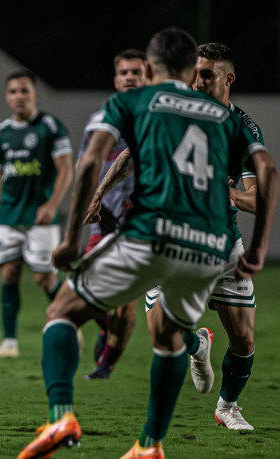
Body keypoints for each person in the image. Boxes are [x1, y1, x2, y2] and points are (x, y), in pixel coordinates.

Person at [19, 28, 278, 459]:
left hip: (154, 238)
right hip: (208, 247)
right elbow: (267, 171)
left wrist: (70, 237)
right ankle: (151, 444)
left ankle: (62, 414)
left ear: (152, 68)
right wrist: (262, 247)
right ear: (188, 71)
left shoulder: (141, 101)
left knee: (62, 313)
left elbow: (91, 159)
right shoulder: (226, 122)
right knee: (169, 335)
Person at [94, 42, 265, 431]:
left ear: (228, 78)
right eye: (194, 72)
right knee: (162, 331)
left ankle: (228, 407)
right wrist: (100, 192)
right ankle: (196, 345)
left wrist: (230, 193)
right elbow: (130, 155)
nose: (198, 80)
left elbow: (259, 199)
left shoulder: (243, 129)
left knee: (243, 340)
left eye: (208, 74)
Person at [0, 69, 73, 358]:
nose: (19, 97)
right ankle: (9, 342)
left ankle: (70, 324)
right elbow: (0, 175)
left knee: (44, 278)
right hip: (9, 215)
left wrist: (51, 205)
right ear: (6, 97)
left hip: (40, 217)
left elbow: (66, 170)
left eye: (24, 91)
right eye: (13, 91)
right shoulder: (3, 131)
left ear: (35, 94)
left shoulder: (50, 126)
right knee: (9, 274)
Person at [80, 49, 147, 380]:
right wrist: (89, 202)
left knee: (128, 303)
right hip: (104, 217)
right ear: (116, 78)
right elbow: (86, 167)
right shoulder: (99, 121)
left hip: (143, 224)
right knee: (81, 288)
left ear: (148, 76)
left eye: (137, 71)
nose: (131, 77)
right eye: (125, 72)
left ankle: (105, 365)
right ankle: (108, 331)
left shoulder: (156, 119)